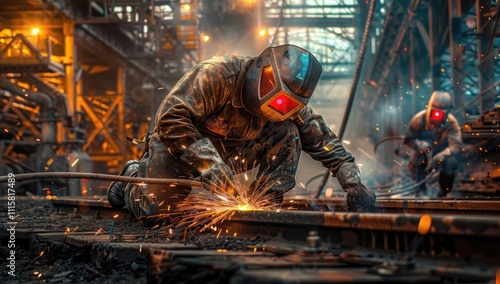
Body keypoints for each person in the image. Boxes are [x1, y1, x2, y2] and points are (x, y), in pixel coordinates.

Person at [107, 44, 376, 226]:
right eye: (278, 102)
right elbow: (170, 118)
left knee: (289, 132)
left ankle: (266, 204)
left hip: (233, 152)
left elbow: (319, 136)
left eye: (289, 106)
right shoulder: (217, 75)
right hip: (179, 147)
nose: (278, 109)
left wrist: (351, 180)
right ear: (263, 74)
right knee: (155, 216)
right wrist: (208, 163)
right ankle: (131, 178)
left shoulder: (289, 106)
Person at [402, 91, 462, 197]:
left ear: (447, 111)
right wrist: (420, 145)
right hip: (423, 153)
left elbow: (456, 146)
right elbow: (408, 140)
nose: (437, 116)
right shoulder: (418, 120)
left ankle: (444, 192)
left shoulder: (451, 123)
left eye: (440, 113)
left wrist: (443, 155)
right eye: (434, 112)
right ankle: (419, 191)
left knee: (451, 162)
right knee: (417, 158)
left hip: (442, 154)